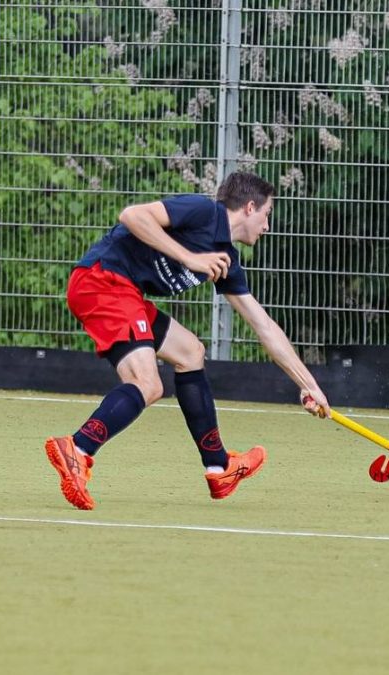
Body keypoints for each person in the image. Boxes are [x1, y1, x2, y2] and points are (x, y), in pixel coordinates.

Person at [45, 171, 330, 510]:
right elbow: (132, 216)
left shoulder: (227, 260)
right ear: (250, 207)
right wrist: (189, 257)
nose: (267, 226)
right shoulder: (202, 212)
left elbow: (263, 326)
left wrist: (308, 384)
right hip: (102, 281)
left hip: (123, 293)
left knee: (190, 352)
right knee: (147, 384)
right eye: (267, 214)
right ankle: (78, 448)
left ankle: (218, 466)